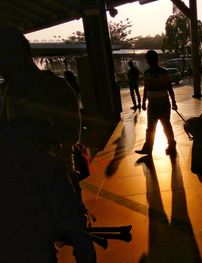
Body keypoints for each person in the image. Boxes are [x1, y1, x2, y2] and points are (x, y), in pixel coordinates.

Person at [0, 27, 96, 263]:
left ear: (22, 55)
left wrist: (26, 135)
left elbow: (70, 135)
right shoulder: (6, 93)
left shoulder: (54, 88)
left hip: (56, 179)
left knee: (80, 237)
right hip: (21, 186)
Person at [135, 50, 178, 155]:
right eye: (149, 59)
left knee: (164, 125)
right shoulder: (147, 73)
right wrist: (144, 101)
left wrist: (174, 102)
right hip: (154, 103)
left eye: (150, 59)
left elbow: (169, 87)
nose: (150, 61)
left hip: (162, 103)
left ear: (155, 60)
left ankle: (170, 144)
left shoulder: (163, 72)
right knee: (153, 127)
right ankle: (149, 148)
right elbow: (146, 88)